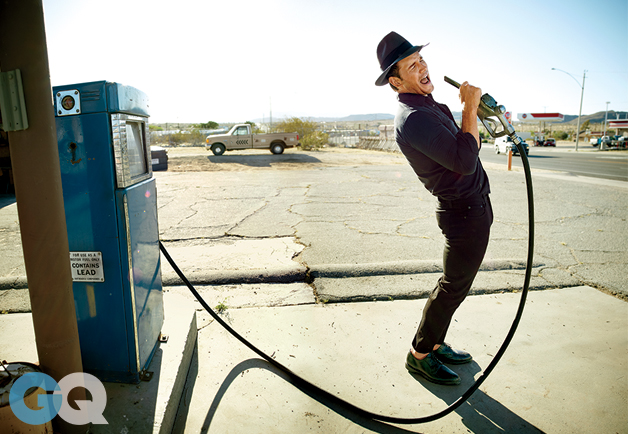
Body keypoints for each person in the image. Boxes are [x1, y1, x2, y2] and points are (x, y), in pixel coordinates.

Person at [375, 31, 493, 386]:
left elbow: (464, 146)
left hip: (472, 209)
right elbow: (465, 159)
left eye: (421, 59)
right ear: (396, 81)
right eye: (412, 65)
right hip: (463, 214)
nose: (423, 67)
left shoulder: (427, 106)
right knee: (453, 285)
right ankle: (420, 354)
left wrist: (471, 115)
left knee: (456, 283)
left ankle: (436, 343)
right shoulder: (414, 117)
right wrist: (469, 108)